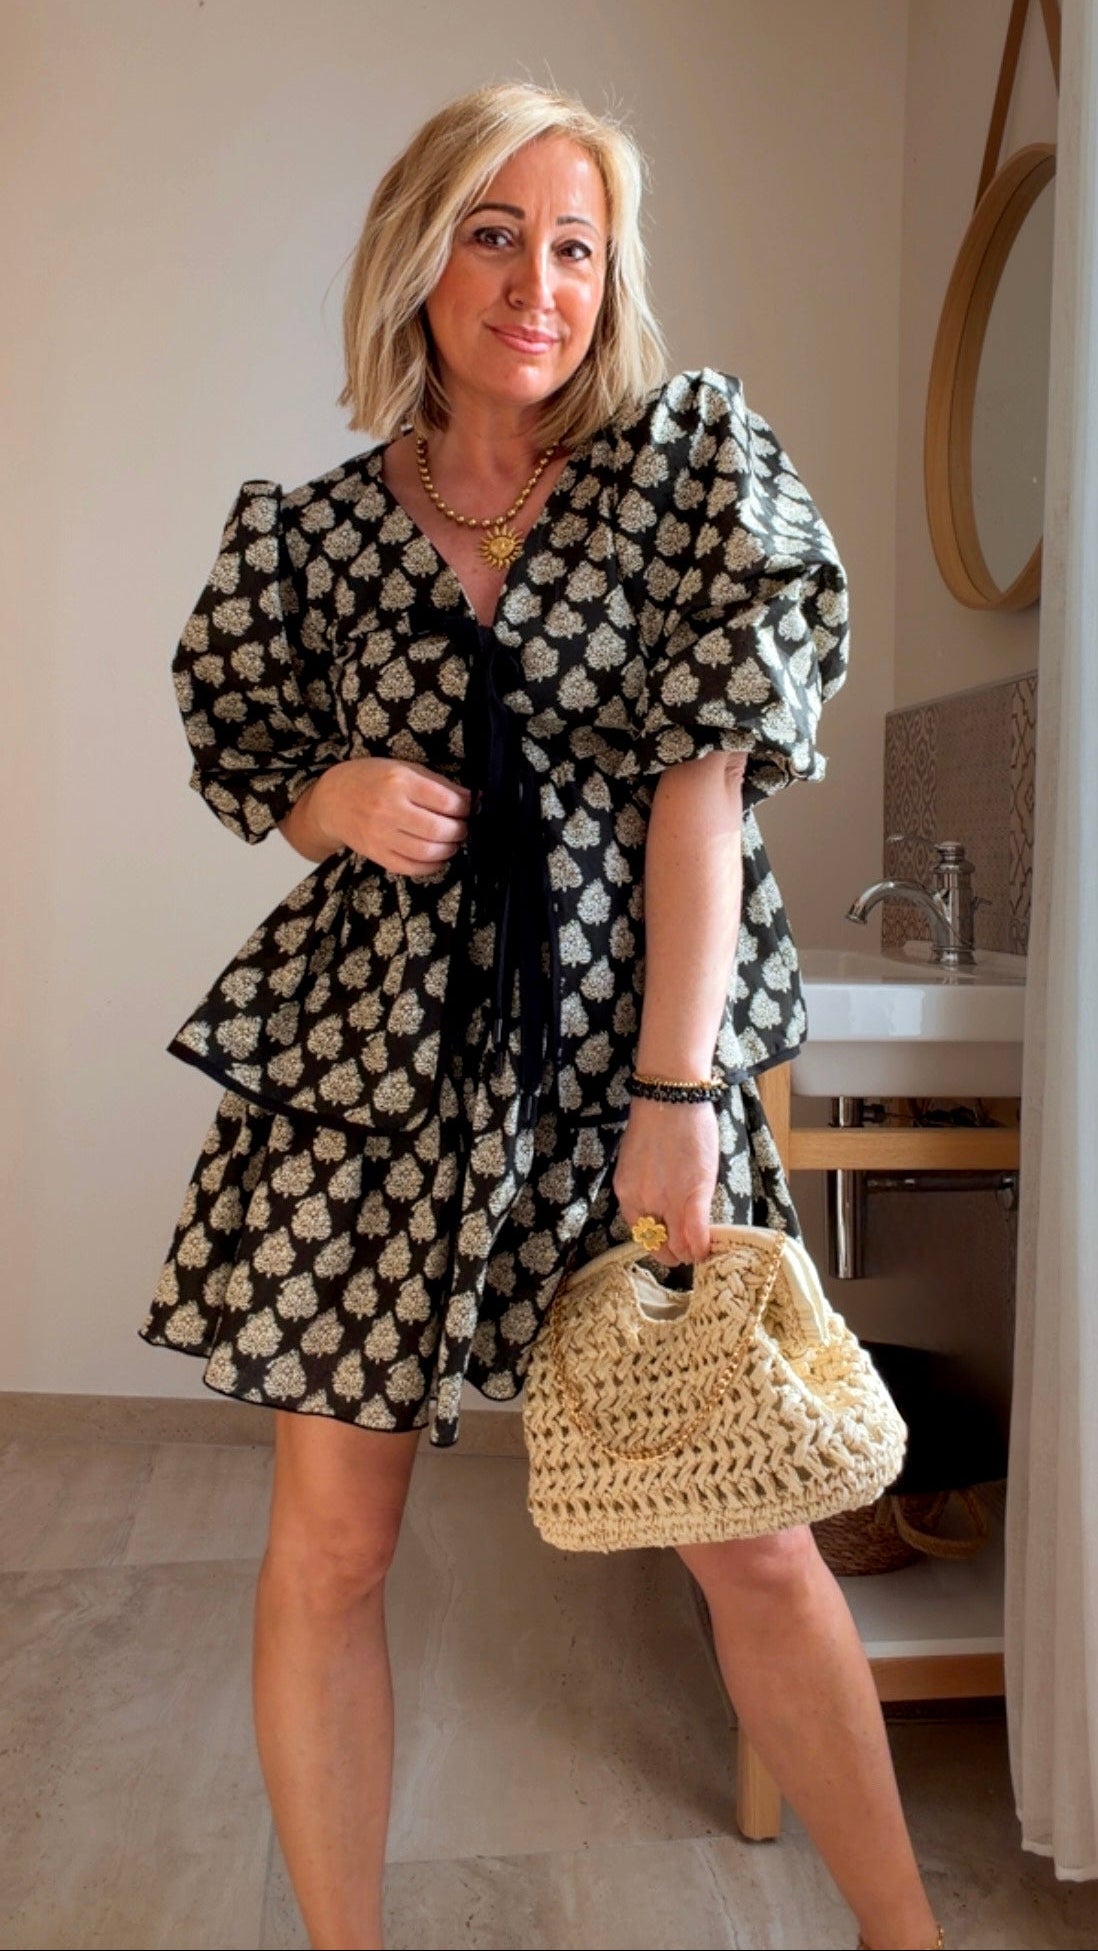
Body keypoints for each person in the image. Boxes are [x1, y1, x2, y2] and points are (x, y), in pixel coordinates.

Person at [142, 81, 942, 1951]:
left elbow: (702, 791)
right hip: (370, 1075)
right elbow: (248, 750)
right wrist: (327, 798)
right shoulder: (305, 540)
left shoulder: (687, 466)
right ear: (418, 258)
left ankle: (906, 1938)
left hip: (626, 1064)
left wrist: (676, 1093)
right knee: (330, 1552)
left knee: (755, 1531)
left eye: (575, 246)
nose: (536, 285)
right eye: (493, 237)